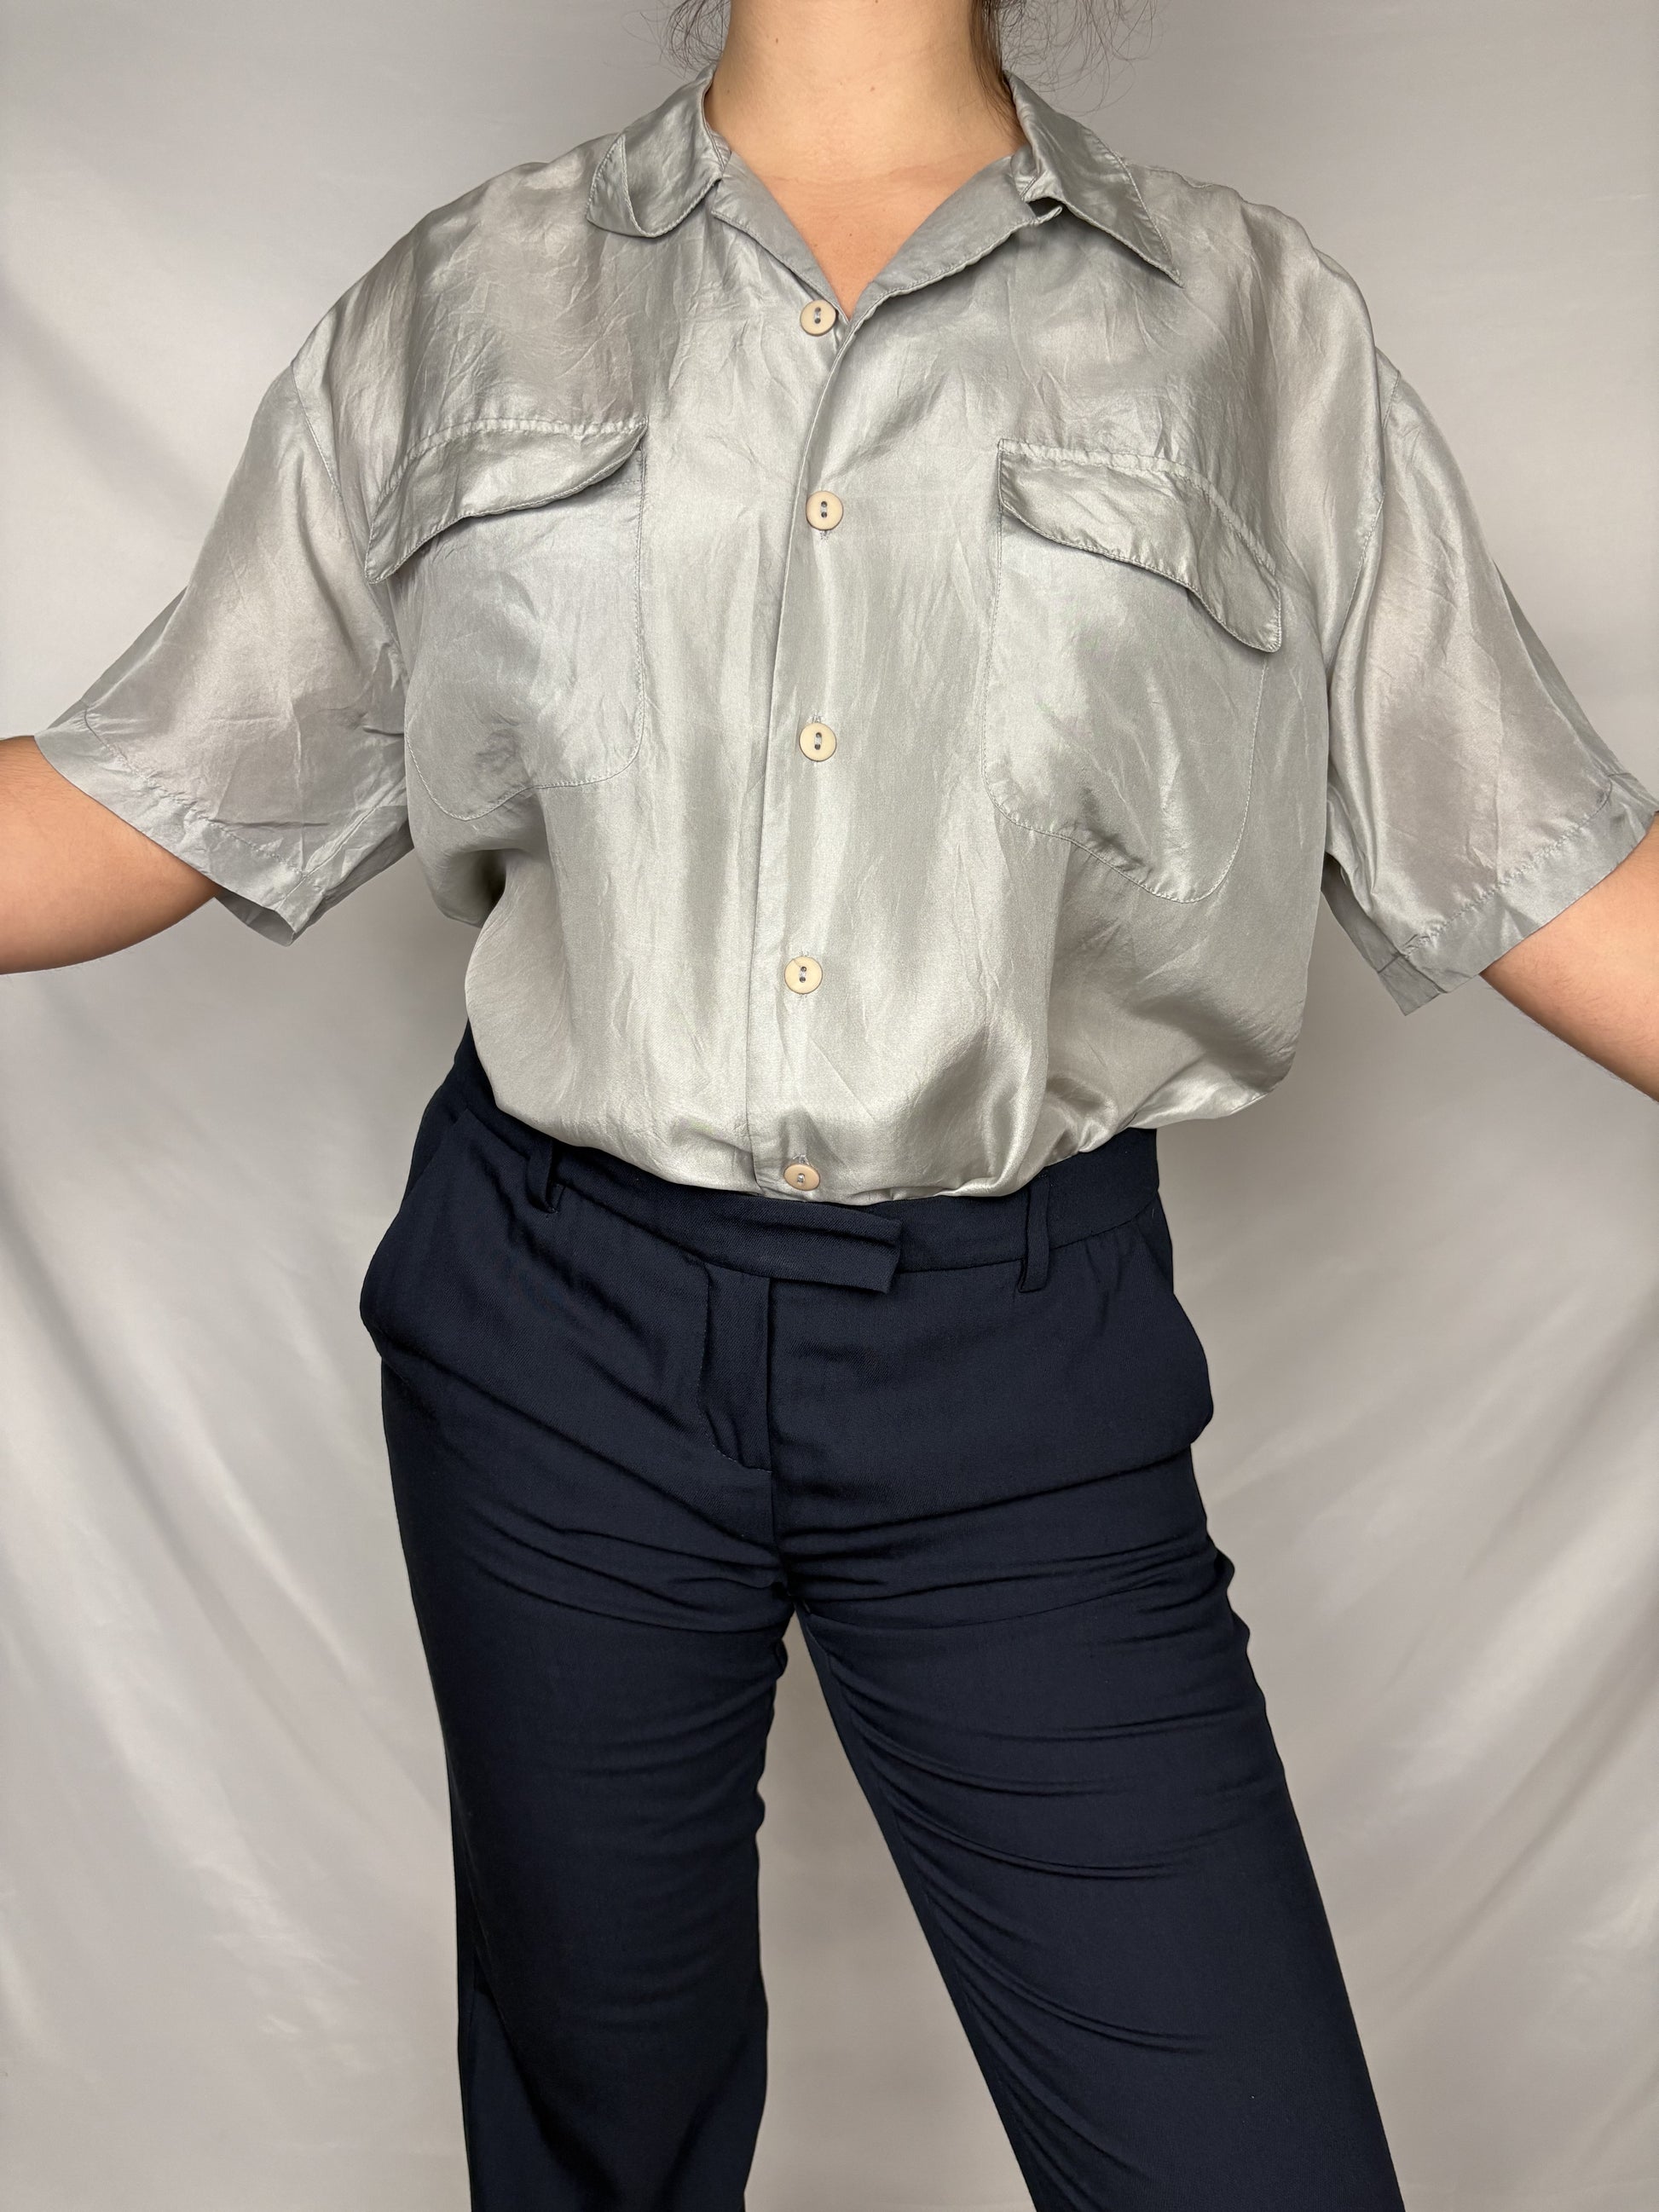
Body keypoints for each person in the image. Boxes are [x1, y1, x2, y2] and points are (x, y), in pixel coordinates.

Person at [3, 0, 1656, 2204]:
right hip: (551, 1337)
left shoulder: (1250, 329)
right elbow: (156, 789)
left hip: (1017, 1364)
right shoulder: (464, 301)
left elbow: (1534, 851)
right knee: (600, 2134)